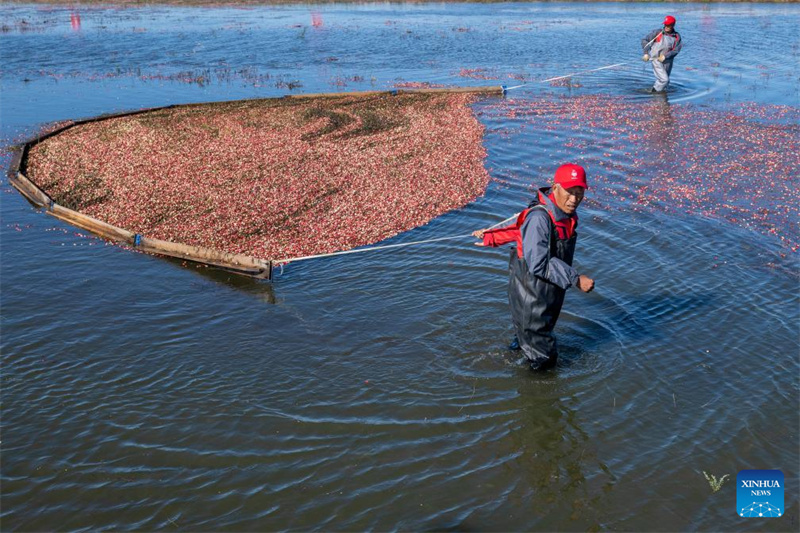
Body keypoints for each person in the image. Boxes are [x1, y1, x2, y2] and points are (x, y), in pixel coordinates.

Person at [472, 164, 594, 371]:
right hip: (531, 295)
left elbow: (520, 231)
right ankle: (530, 387)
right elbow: (539, 262)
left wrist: (491, 237)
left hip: (548, 292)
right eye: (569, 192)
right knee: (544, 359)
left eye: (579, 192)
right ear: (555, 188)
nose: (574, 199)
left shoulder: (565, 214)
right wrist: (575, 278)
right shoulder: (539, 217)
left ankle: (509, 360)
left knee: (528, 339)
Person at [641, 15, 683, 93]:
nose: (666, 26)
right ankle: (653, 93)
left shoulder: (677, 36)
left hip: (668, 61)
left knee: (665, 82)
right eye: (665, 24)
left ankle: (659, 97)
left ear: (673, 25)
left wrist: (665, 56)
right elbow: (645, 40)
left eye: (668, 25)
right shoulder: (657, 33)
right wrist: (646, 53)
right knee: (664, 80)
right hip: (656, 60)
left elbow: (676, 50)